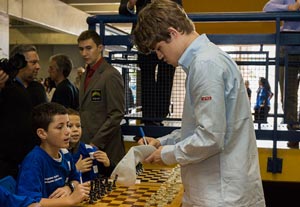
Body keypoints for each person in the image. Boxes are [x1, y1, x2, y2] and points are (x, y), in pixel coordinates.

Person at [133, 0, 265, 206]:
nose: (159, 57)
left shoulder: (205, 65)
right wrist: (163, 142)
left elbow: (210, 137)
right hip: (215, 190)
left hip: (220, 194)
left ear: (173, 33)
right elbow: (198, 128)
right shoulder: (204, 61)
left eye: (159, 48)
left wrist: (166, 155)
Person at [119, 0, 182, 126]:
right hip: (144, 36)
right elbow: (122, 10)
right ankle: (148, 119)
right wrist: (131, 4)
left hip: (166, 35)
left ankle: (160, 117)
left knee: (166, 76)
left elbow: (179, 7)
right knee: (146, 77)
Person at [16, 102, 90, 206]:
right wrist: (70, 200)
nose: (68, 131)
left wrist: (69, 187)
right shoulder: (33, 162)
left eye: (67, 125)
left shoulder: (65, 154)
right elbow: (29, 201)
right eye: (60, 127)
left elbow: (75, 177)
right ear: (42, 133)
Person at [77, 30, 125, 165]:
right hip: (87, 144)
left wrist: (96, 142)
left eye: (88, 48)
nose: (84, 53)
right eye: (81, 49)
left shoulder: (110, 75)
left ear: (100, 48)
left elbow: (116, 114)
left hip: (106, 148)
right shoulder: (86, 74)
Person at [0, 44, 47, 179]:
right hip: (8, 162)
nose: (38, 66)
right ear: (19, 63)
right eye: (33, 62)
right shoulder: (6, 87)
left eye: (37, 62)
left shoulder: (37, 88)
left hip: (35, 158)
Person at [263, 0, 300, 148]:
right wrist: (291, 8)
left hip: (290, 44)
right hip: (288, 46)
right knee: (288, 91)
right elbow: (267, 8)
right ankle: (293, 131)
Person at [67, 108, 116, 182]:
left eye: (78, 126)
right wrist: (76, 170)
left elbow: (112, 173)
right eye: (70, 126)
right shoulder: (59, 154)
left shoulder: (89, 150)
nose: (75, 130)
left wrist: (107, 164)